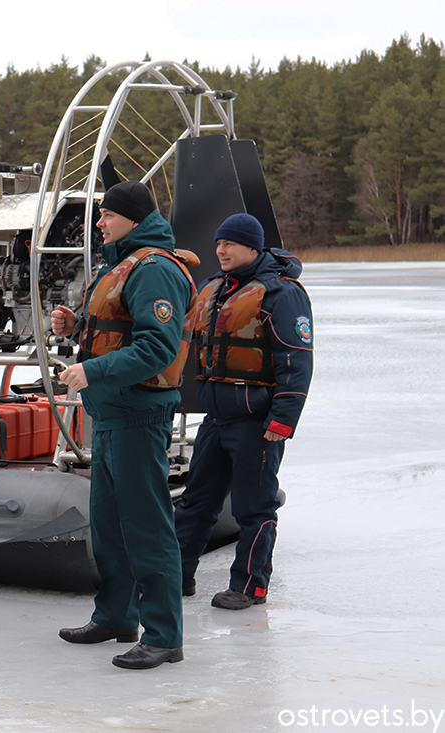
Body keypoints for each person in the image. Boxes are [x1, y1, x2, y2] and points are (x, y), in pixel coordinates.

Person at [50, 180, 197, 670]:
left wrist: (91, 370)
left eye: (107, 215)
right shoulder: (122, 265)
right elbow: (122, 332)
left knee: (147, 527)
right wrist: (78, 327)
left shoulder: (154, 270)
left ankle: (164, 635)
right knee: (111, 527)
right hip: (111, 413)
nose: (99, 223)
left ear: (132, 218)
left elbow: (157, 347)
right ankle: (116, 615)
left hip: (138, 414)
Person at [175, 213, 313, 610]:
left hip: (258, 422)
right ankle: (178, 576)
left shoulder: (282, 293)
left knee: (255, 507)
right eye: (219, 243)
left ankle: (250, 586)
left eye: (230, 244)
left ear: (254, 248)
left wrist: (283, 421)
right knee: (197, 502)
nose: (221, 250)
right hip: (216, 418)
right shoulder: (212, 288)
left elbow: (297, 360)